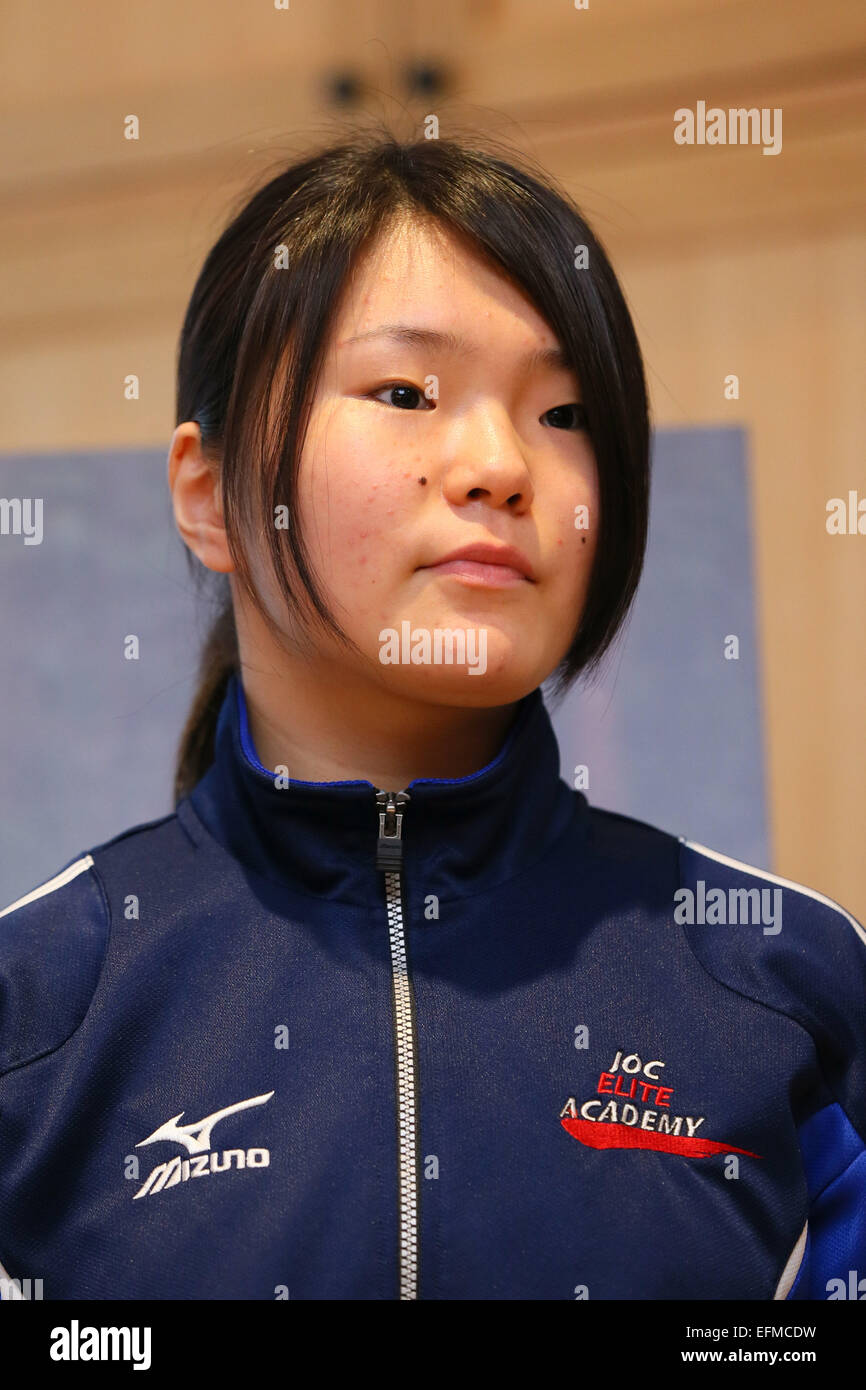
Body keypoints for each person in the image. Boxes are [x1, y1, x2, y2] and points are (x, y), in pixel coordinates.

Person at [0, 131, 863, 1302]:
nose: (502, 464)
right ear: (209, 497)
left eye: (565, 415)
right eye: (406, 392)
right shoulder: (39, 1003)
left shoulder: (786, 977)